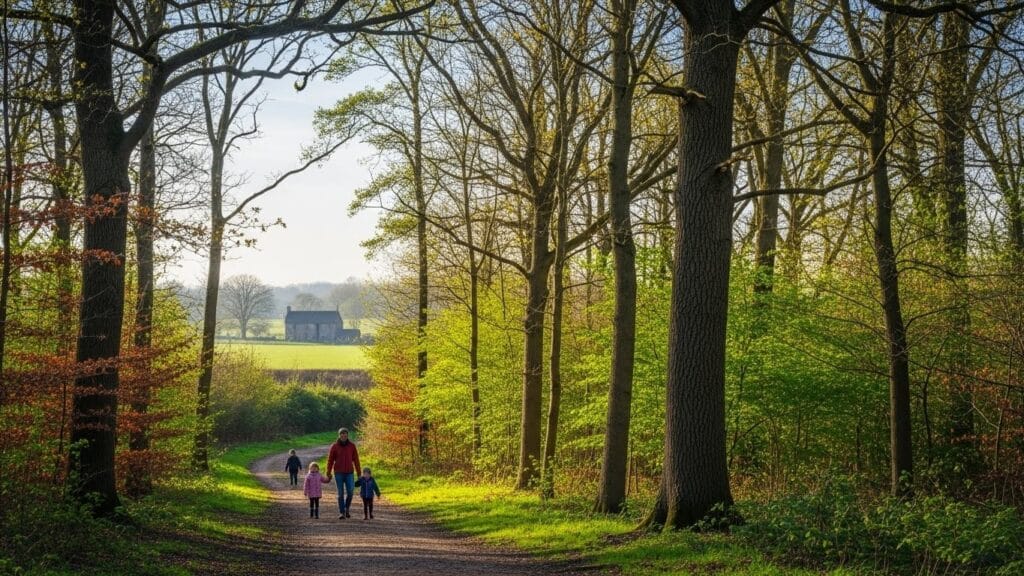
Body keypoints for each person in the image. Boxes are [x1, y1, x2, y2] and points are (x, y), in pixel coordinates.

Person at [325, 427, 361, 519]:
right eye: (342, 434)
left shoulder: (352, 446)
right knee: (340, 493)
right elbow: (330, 460)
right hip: (338, 473)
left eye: (345, 434)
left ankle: (347, 508)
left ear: (347, 435)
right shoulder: (334, 446)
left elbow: (356, 460)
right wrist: (328, 472)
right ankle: (341, 512)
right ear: (339, 435)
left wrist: (359, 473)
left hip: (349, 472)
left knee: (350, 492)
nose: (343, 435)